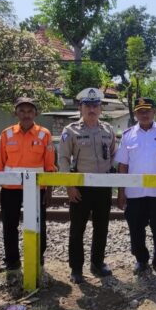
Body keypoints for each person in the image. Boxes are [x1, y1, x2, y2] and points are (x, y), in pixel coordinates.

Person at [59, 88, 116, 284]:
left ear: (100, 108)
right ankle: (76, 268)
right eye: (88, 105)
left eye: (95, 105)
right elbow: (64, 160)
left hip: (103, 187)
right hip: (80, 187)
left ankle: (97, 263)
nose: (92, 109)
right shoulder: (70, 131)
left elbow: (114, 155)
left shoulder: (108, 130)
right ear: (80, 107)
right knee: (77, 229)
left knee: (101, 227)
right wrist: (70, 186)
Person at [0, 97, 56, 273]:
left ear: (36, 113)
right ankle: (12, 261)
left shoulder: (44, 134)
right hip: (10, 189)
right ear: (16, 113)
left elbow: (49, 166)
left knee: (38, 225)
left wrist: (49, 192)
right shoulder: (7, 134)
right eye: (22, 111)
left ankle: (38, 259)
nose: (26, 115)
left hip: (37, 189)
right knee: (9, 225)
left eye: (29, 111)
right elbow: (0, 164)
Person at [116, 97, 156, 276]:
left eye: (148, 110)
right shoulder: (127, 135)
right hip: (134, 194)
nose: (145, 114)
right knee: (136, 229)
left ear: (154, 112)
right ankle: (141, 260)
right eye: (140, 111)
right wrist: (121, 192)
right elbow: (123, 166)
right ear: (135, 114)